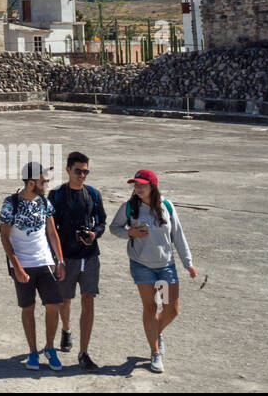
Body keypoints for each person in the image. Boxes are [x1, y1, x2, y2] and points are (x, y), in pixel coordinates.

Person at [110, 169, 197, 374]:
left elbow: (178, 235)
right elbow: (114, 228)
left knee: (171, 309)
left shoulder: (166, 206)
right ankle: (154, 352)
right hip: (142, 266)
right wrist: (129, 233)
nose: (138, 188)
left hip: (165, 266)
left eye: (142, 185)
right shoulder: (129, 207)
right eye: (136, 185)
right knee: (150, 307)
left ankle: (156, 333)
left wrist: (188, 263)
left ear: (153, 186)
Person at [0, 161, 66, 371]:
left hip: (44, 261)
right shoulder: (11, 203)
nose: (46, 184)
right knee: (28, 308)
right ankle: (32, 351)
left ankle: (49, 348)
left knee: (53, 305)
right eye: (43, 181)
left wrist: (60, 260)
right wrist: (16, 266)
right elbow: (4, 236)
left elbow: (52, 233)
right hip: (22, 263)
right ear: (31, 183)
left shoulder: (44, 203)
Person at [49, 151, 106, 372]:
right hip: (67, 257)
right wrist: (56, 258)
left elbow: (101, 220)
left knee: (88, 300)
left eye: (86, 171)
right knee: (64, 300)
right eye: (78, 171)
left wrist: (94, 233)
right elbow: (50, 228)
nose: (82, 175)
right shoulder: (56, 196)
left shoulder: (93, 194)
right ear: (68, 170)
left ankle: (84, 352)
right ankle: (66, 329)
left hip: (90, 256)